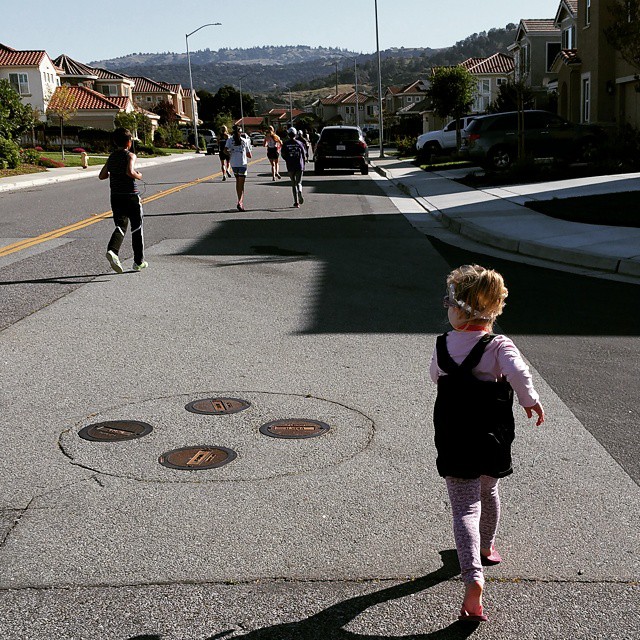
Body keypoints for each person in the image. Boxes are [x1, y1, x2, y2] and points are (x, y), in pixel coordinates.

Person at [429, 264, 544, 623]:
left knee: (464, 506)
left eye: (448, 301)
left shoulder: (444, 343)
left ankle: (472, 576)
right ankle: (485, 547)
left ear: (460, 310)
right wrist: (530, 400)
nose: (446, 307)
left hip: (453, 435)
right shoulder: (499, 345)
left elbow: (435, 375)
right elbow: (519, 373)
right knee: (489, 490)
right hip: (493, 436)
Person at [99, 127, 147, 273]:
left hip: (116, 196)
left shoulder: (111, 157)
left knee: (121, 225)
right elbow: (130, 172)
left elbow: (102, 175)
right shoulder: (130, 155)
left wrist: (112, 173)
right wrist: (139, 175)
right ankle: (138, 262)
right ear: (128, 143)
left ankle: (113, 251)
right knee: (136, 227)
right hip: (131, 195)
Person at [225, 125, 252, 211]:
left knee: (238, 182)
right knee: (242, 184)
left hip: (234, 164)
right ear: (240, 133)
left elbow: (225, 150)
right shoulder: (244, 141)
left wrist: (230, 154)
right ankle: (240, 202)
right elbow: (249, 155)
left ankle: (239, 200)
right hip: (242, 163)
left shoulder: (230, 140)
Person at [280, 127, 307, 208]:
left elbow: (283, 154)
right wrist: (304, 163)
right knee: (299, 182)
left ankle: (296, 202)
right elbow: (304, 154)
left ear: (288, 135)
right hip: (299, 164)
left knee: (293, 183)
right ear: (296, 134)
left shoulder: (286, 144)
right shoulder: (300, 143)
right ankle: (300, 191)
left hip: (290, 165)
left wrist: (287, 160)